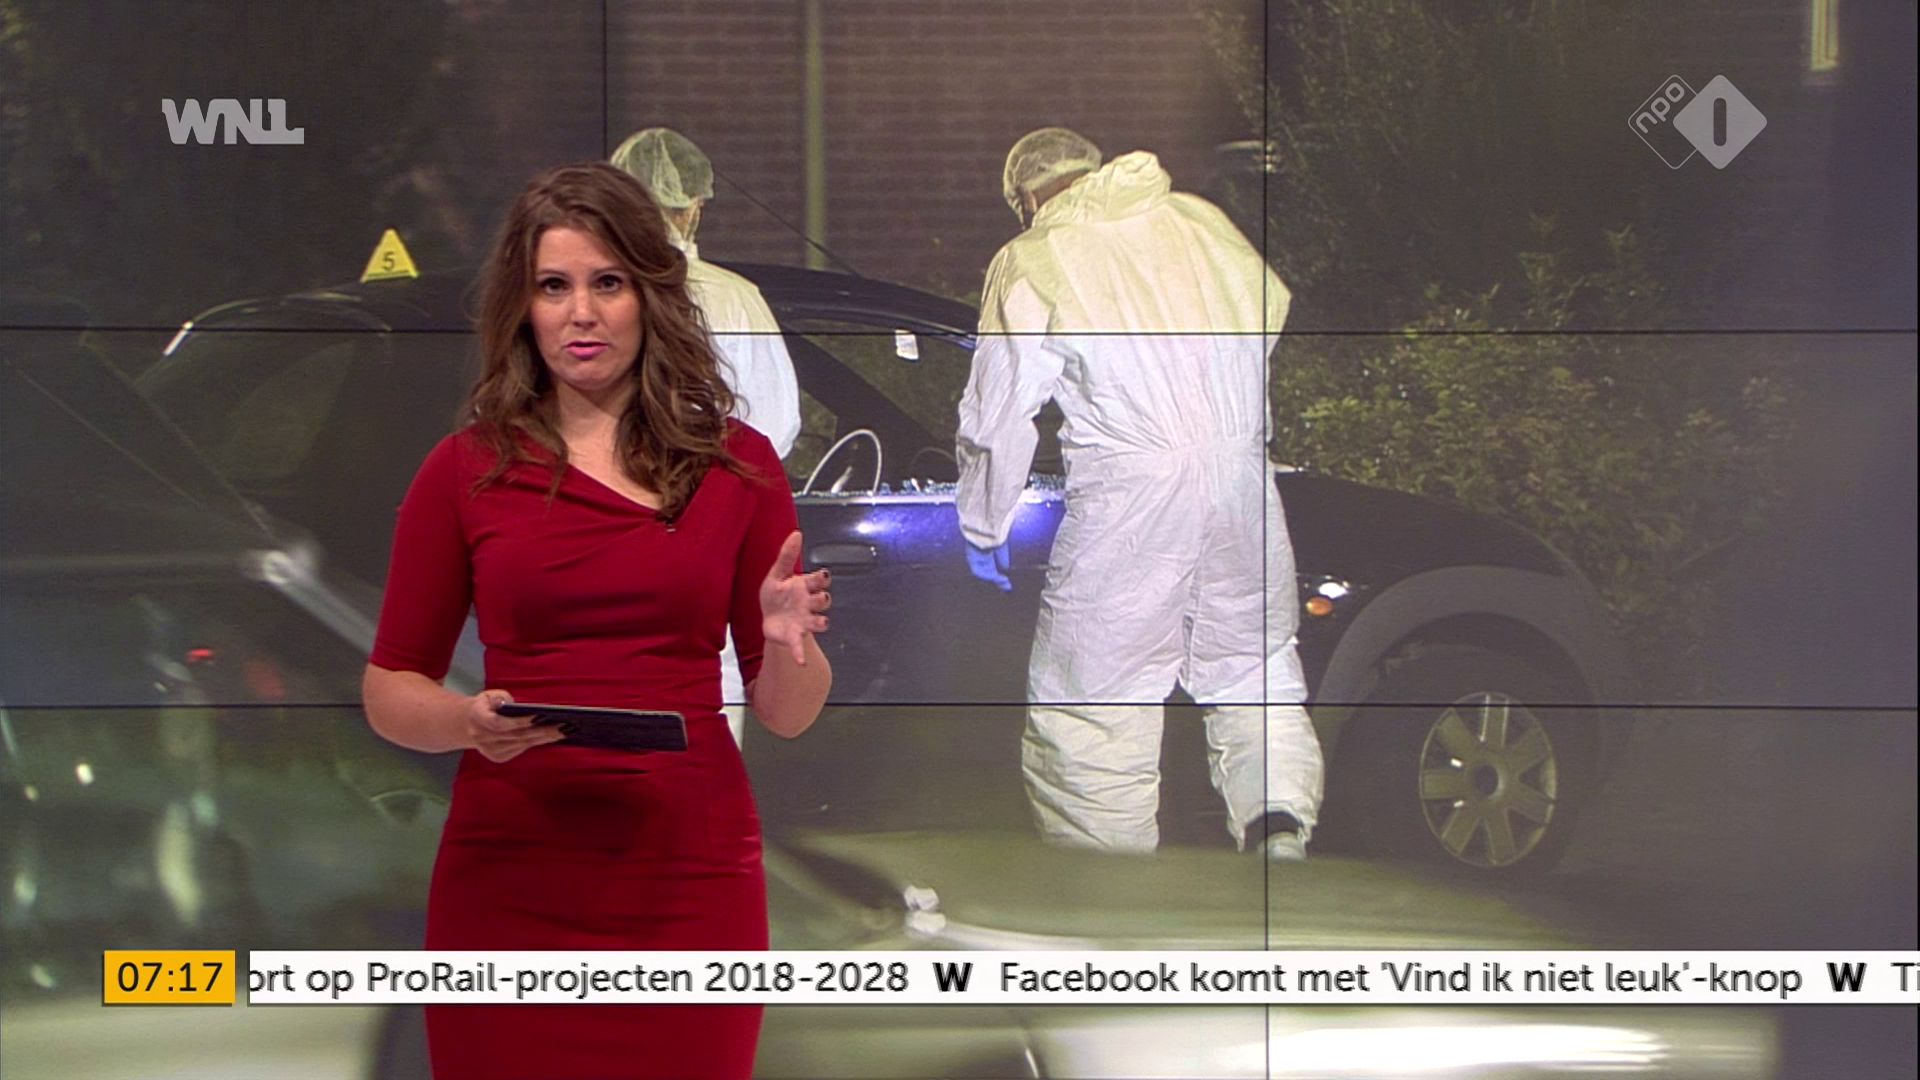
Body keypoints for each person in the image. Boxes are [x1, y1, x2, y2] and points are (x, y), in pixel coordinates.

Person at [362, 162, 832, 1080]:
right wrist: (466, 722)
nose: (581, 313)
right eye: (554, 286)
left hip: (688, 879)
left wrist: (788, 644)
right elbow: (389, 688)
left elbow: (787, 711)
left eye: (607, 282)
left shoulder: (737, 467)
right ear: (523, 308)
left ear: (650, 297)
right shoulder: (463, 470)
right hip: (511, 876)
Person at [955, 127, 1323, 861]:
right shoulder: (1201, 221)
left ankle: (1110, 892)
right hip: (1243, 482)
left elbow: (998, 415)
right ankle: (1280, 844)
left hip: (1129, 495)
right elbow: (1267, 316)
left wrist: (984, 523)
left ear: (1026, 198)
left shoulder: (1036, 254)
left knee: (1094, 702)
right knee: (1251, 670)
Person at [612, 126, 802, 746]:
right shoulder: (734, 300)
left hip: (592, 552)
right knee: (702, 728)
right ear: (693, 206)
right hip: (699, 552)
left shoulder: (578, 298)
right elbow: (773, 429)